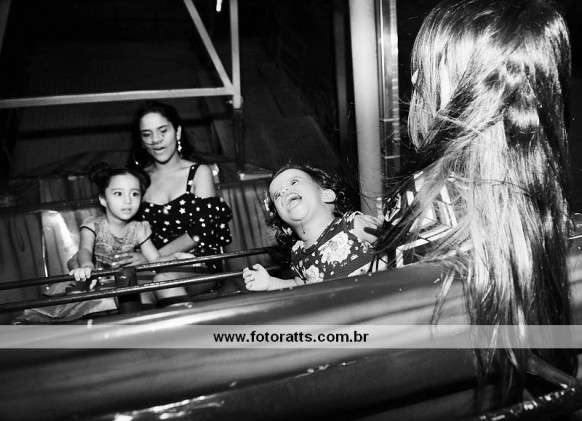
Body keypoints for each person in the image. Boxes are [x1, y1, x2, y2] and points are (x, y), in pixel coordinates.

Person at [374, 0, 576, 404]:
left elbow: (387, 331)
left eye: (422, 71)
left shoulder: (425, 196)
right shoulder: (542, 199)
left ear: (467, 93)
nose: (413, 80)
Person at [126, 100, 233, 306]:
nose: (156, 140)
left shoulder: (199, 172)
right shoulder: (138, 180)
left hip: (196, 262)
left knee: (163, 280)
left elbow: (202, 230)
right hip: (152, 266)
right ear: (141, 141)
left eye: (163, 131)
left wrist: (152, 258)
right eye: (147, 134)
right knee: (129, 291)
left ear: (177, 132)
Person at [243, 164, 382, 291]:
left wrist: (386, 225)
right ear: (285, 227)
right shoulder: (297, 255)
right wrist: (271, 283)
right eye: (277, 195)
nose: (284, 190)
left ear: (327, 195)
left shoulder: (353, 225)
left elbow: (391, 244)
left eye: (294, 182)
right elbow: (300, 287)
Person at [67, 163, 194, 289]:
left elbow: (155, 259)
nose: (128, 201)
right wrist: (87, 266)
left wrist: (175, 257)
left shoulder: (139, 229)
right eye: (118, 193)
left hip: (123, 284)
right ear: (103, 200)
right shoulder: (94, 226)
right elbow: (85, 250)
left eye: (134, 194)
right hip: (93, 281)